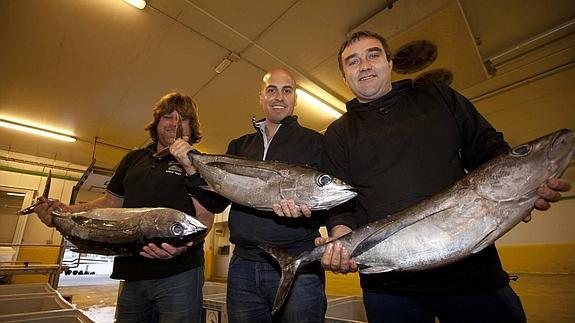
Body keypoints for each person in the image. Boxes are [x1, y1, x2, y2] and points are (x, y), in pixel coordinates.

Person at [316, 31, 571, 323]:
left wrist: (527, 186)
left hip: (472, 275)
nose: (364, 65)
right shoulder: (338, 132)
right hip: (388, 287)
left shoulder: (439, 97)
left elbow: (489, 150)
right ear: (344, 76)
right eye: (353, 61)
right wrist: (339, 237)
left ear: (389, 62)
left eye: (373, 55)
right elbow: (340, 200)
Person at [35, 92, 225, 323]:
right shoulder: (133, 159)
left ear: (191, 127)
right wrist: (66, 211)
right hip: (132, 272)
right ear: (156, 123)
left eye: (182, 119)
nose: (174, 123)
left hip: (179, 273)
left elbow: (205, 217)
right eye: (167, 117)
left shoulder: (197, 163)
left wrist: (182, 248)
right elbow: (110, 204)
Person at [224, 68, 326, 322]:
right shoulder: (239, 146)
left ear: (295, 98)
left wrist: (309, 215)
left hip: (300, 264)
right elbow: (215, 201)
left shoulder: (315, 142)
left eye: (286, 90)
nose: (279, 96)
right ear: (261, 97)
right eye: (272, 90)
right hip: (243, 267)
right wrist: (194, 169)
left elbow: (329, 204)